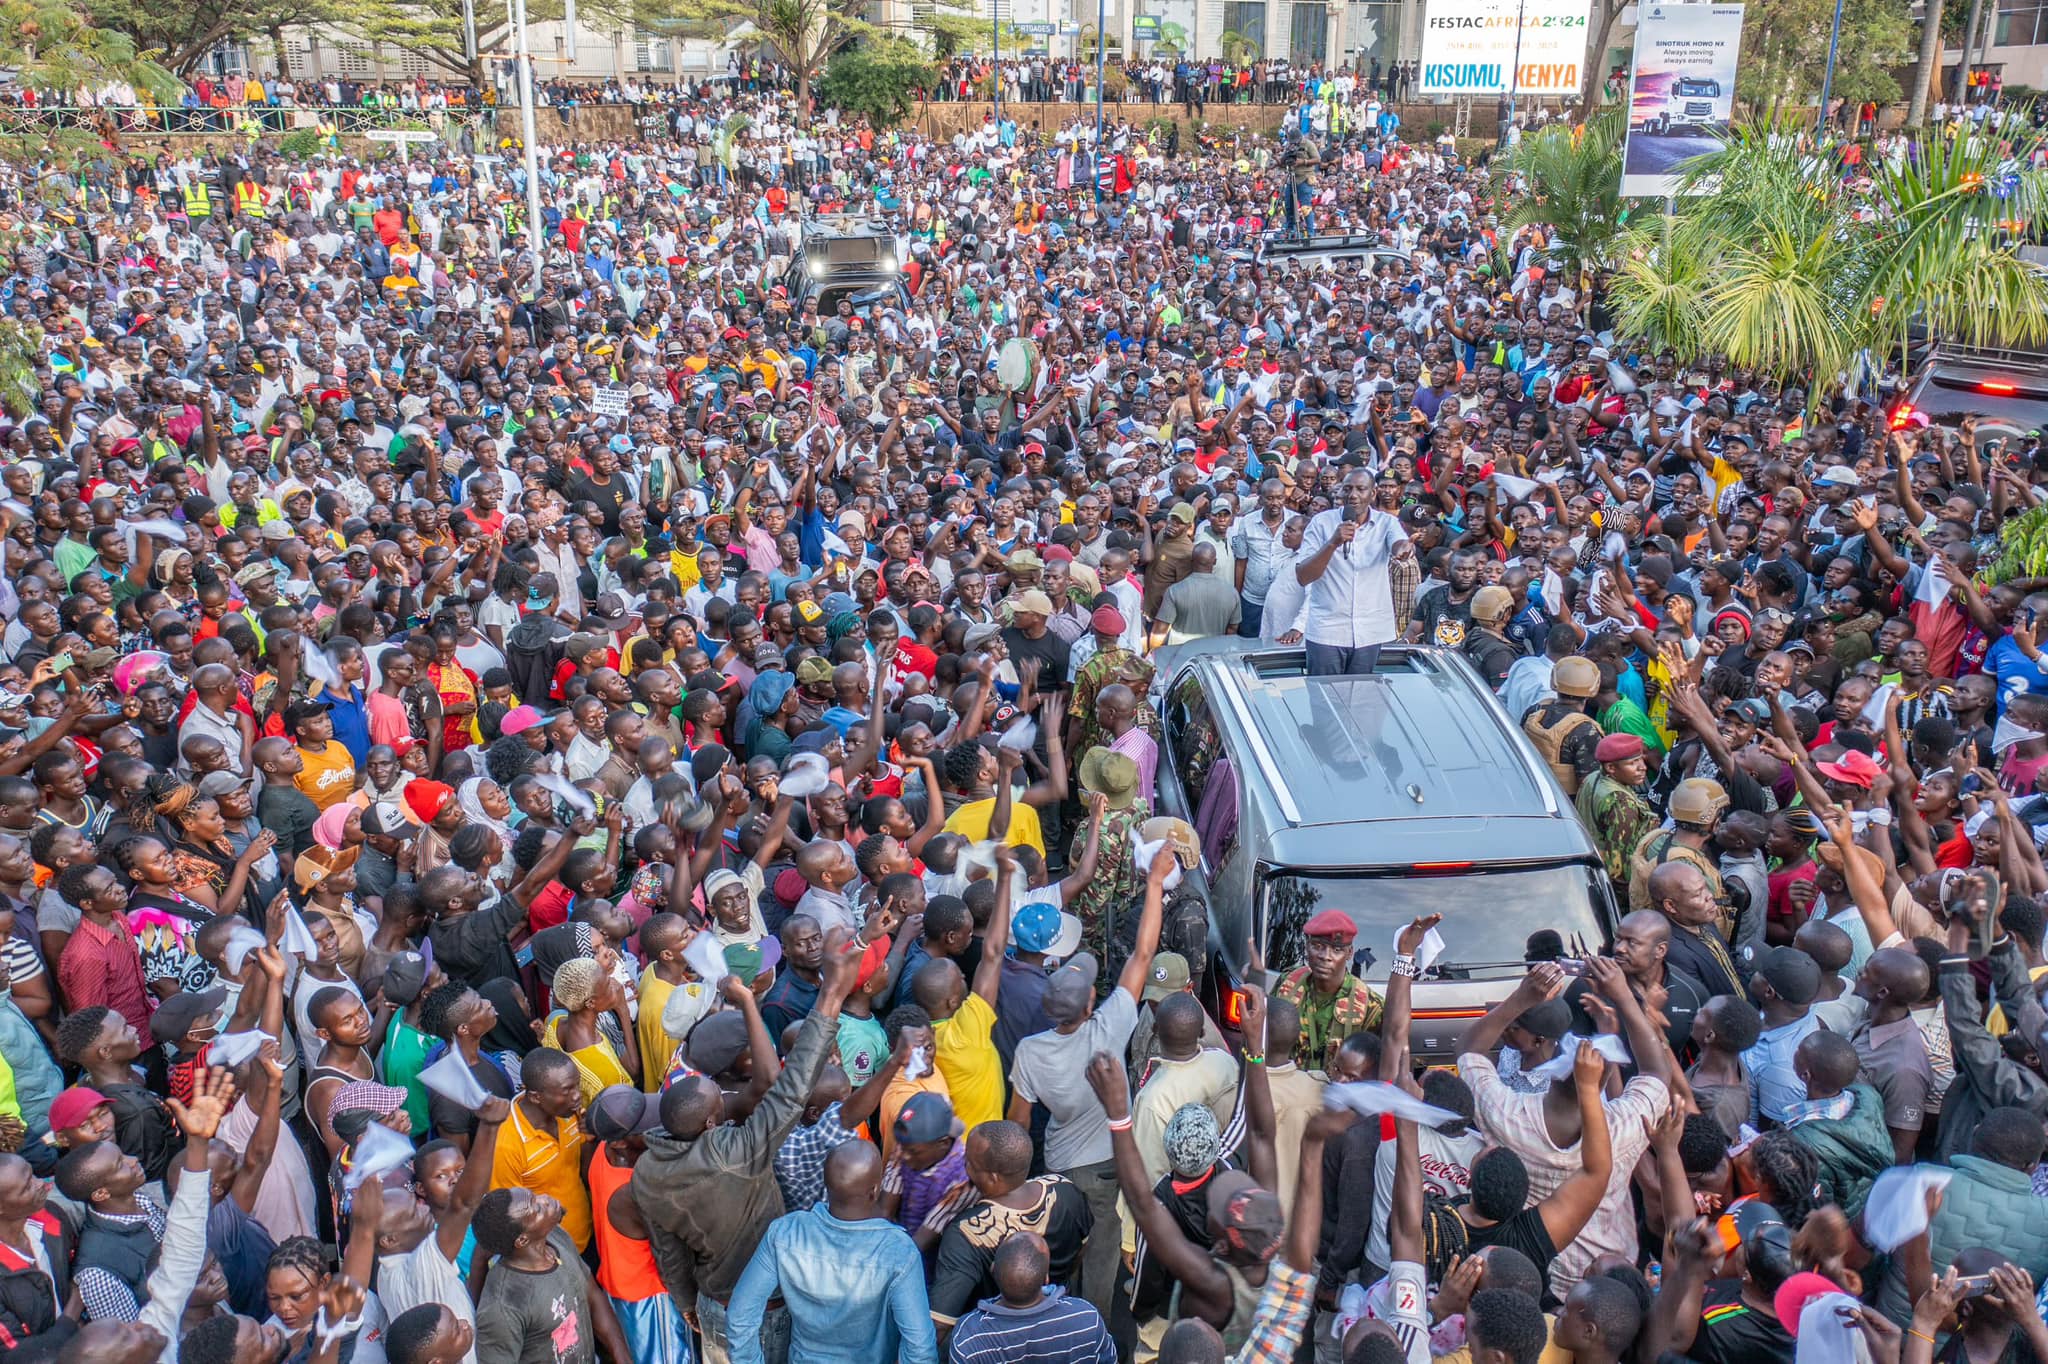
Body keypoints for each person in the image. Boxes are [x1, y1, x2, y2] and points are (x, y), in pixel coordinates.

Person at [633, 932, 862, 1364]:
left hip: (711, 1302)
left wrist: (685, 1299)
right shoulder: (736, 1154)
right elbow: (791, 1091)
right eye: (720, 1098)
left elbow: (668, 1249)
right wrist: (831, 994)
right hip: (766, 1306)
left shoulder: (648, 1169)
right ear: (711, 1123)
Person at [727, 1140, 937, 1364]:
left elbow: (740, 1315)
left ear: (825, 1183)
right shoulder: (899, 1252)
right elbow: (919, 1347)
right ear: (875, 1190)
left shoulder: (785, 1233)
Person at [1293, 468, 1416, 676]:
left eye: (1361, 489)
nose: (1353, 495)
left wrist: (1403, 549)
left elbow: (1398, 544)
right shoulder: (1321, 523)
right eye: (1348, 489)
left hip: (1369, 631)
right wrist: (1333, 542)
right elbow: (1303, 576)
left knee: (1363, 700)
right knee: (1325, 700)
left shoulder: (1387, 523)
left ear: (1373, 493)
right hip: (1327, 631)